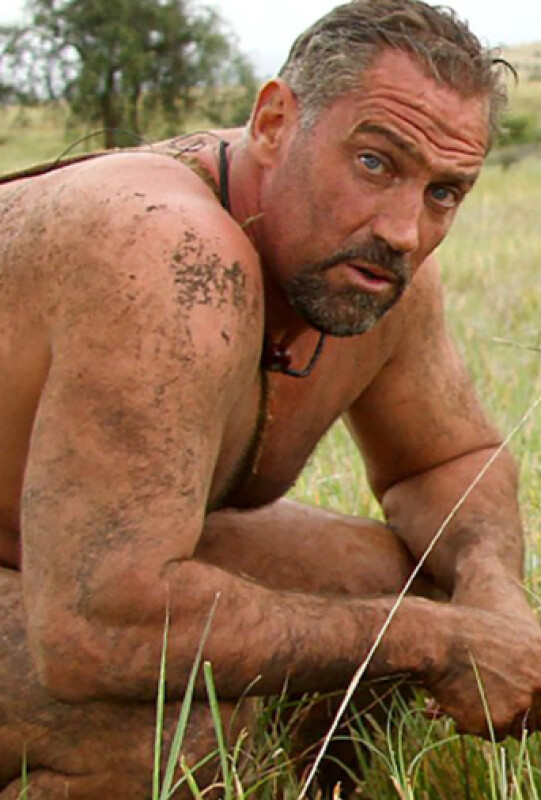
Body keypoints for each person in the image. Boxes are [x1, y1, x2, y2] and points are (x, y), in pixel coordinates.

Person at [1, 0, 540, 796]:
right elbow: (97, 626)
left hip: (65, 571)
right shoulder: (162, 250)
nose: (404, 230)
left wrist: (490, 588)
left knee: (413, 575)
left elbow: (444, 462)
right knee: (179, 736)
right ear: (274, 122)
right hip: (70, 599)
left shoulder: (371, 264)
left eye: (443, 192)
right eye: (374, 163)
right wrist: (425, 639)